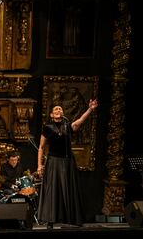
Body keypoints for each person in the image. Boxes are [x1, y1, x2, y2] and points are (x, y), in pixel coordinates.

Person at [37, 98, 98, 229]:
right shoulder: (47, 127)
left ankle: (69, 219)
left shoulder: (67, 125)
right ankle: (50, 220)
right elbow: (41, 147)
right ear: (52, 115)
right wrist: (39, 165)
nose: (58, 110)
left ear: (62, 113)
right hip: (53, 161)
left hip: (67, 162)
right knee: (52, 191)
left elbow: (81, 120)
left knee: (68, 189)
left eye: (60, 109)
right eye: (56, 109)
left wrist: (90, 109)